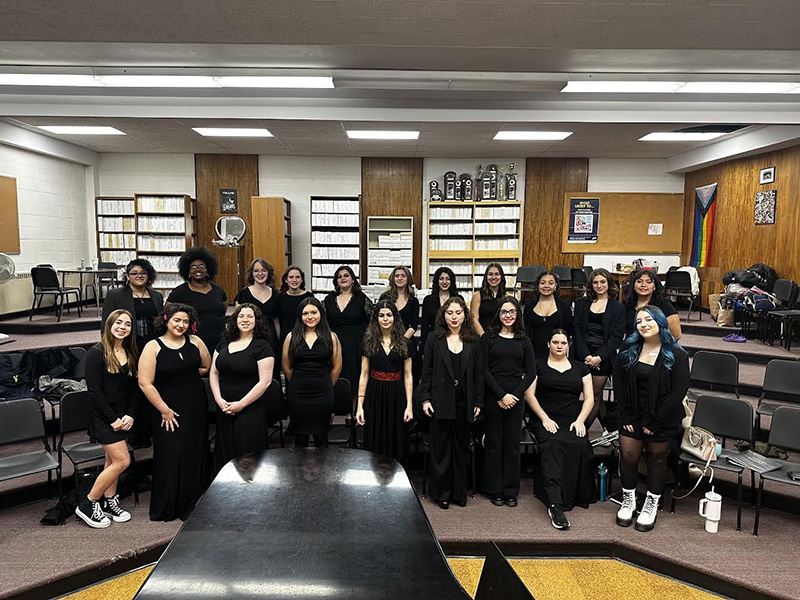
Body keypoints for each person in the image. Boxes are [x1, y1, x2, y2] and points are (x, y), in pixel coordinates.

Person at [613, 305, 690, 532]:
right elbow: (618, 385)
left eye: (648, 320)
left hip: (662, 418)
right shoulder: (628, 350)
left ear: (660, 323)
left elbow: (678, 392)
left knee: (657, 459)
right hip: (631, 415)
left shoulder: (676, 354)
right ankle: (628, 499)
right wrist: (626, 415)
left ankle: (651, 503)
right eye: (639, 321)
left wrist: (652, 422)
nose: (643, 324)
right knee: (628, 456)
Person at [138, 304, 211, 521]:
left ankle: (194, 503)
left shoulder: (196, 341)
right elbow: (145, 383)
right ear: (167, 320)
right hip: (167, 410)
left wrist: (183, 373)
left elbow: (206, 366)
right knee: (173, 455)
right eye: (177, 320)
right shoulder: (153, 346)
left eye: (186, 322)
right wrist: (164, 410)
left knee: (195, 452)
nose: (181, 325)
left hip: (195, 406)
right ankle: (171, 506)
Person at [526, 329, 594, 530]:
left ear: (568, 345)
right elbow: (530, 395)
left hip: (572, 420)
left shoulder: (581, 368)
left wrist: (581, 420)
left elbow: (590, 398)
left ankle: (573, 495)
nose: (559, 346)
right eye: (555, 342)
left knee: (580, 444)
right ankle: (555, 504)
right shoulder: (537, 365)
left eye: (563, 342)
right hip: (544, 419)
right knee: (553, 444)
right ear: (548, 344)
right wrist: (544, 418)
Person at [76, 309, 139, 528]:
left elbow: (134, 390)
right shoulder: (96, 353)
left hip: (123, 417)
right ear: (109, 325)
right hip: (104, 418)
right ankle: (89, 502)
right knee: (123, 460)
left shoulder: (130, 351)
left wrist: (130, 414)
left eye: (128, 324)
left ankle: (110, 501)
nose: (123, 327)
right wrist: (113, 419)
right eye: (118, 323)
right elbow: (94, 392)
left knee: (112, 461)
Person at [421, 297, 483, 509]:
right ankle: (442, 494)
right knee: (441, 451)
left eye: (458, 313)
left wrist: (478, 402)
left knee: (461, 449)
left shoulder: (473, 340)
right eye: (449, 313)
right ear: (443, 315)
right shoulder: (433, 338)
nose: (454, 317)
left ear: (465, 315)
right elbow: (426, 371)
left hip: (465, 402)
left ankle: (459, 493)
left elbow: (478, 374)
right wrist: (425, 398)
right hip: (440, 401)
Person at [101, 258, 164, 449]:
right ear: (127, 276)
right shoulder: (116, 295)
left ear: (149, 276)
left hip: (152, 348)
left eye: (143, 273)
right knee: (133, 389)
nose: (139, 276)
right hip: (129, 347)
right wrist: (112, 349)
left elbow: (160, 323)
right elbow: (107, 324)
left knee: (151, 387)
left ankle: (151, 430)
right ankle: (135, 434)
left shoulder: (156, 296)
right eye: (134, 273)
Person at [481, 296, 536, 507]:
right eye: (504, 312)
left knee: (512, 445)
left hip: (516, 396)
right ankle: (494, 489)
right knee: (494, 444)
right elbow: (483, 370)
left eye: (512, 312)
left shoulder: (524, 340)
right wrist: (501, 395)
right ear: (498, 314)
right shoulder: (488, 338)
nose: (508, 316)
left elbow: (531, 372)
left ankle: (510, 490)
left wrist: (514, 395)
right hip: (494, 395)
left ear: (518, 315)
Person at [209, 303, 275, 474]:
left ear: (257, 321)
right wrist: (218, 399)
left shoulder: (262, 346)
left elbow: (265, 382)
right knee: (225, 452)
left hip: (249, 409)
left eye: (250, 316)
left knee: (248, 455)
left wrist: (241, 404)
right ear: (235, 319)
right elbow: (214, 373)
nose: (245, 320)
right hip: (224, 408)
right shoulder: (224, 342)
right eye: (241, 316)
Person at [355, 300, 413, 462]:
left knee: (397, 438)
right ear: (376, 318)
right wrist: (360, 405)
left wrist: (409, 405)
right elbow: (364, 374)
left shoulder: (405, 343)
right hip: (375, 393)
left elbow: (408, 375)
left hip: (397, 394)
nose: (385, 319)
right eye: (381, 315)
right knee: (375, 437)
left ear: (395, 317)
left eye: (389, 315)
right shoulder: (368, 342)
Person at [282, 297, 342, 448]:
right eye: (305, 313)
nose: (310, 317)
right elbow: (286, 367)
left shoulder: (331, 336)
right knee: (300, 438)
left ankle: (324, 471)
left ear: (321, 313)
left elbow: (337, 367)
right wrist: (298, 382)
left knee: (321, 437)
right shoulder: (291, 337)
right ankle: (298, 472)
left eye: (314, 312)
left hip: (323, 393)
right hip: (297, 394)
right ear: (300, 316)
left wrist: (326, 384)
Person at [573, 268, 626, 434]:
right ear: (591, 284)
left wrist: (598, 358)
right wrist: (587, 356)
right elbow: (576, 330)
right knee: (580, 394)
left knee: (594, 396)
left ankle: (581, 430)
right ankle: (609, 429)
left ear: (609, 283)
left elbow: (616, 337)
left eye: (602, 282)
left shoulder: (618, 307)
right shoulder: (582, 304)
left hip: (604, 358)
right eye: (595, 282)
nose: (599, 285)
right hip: (581, 355)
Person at [323, 266, 372, 401]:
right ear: (336, 281)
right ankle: (334, 408)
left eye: (346, 275)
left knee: (354, 375)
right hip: (334, 344)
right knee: (335, 375)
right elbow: (323, 322)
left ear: (352, 279)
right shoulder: (328, 299)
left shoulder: (362, 298)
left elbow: (372, 321)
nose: (343, 278)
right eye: (339, 277)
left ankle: (354, 411)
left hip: (356, 344)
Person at [167, 247, 227, 353]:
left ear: (208, 269)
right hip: (191, 343)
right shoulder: (179, 292)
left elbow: (223, 310)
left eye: (201, 266)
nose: (198, 269)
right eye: (193, 267)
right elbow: (167, 315)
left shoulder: (219, 291)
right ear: (188, 271)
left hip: (219, 343)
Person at [379, 266, 420, 384]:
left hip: (406, 341)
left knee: (408, 377)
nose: (400, 278)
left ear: (408, 278)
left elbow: (413, 325)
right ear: (393, 278)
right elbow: (379, 319)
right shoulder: (385, 297)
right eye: (397, 276)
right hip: (386, 341)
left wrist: (400, 342)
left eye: (403, 276)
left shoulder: (413, 300)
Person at [233, 258, 280, 360]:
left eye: (263, 270)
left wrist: (280, 341)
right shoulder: (243, 294)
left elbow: (276, 321)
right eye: (256, 271)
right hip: (249, 340)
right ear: (251, 273)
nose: (260, 274)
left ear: (268, 273)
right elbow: (237, 321)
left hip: (271, 340)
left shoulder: (276, 295)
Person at [522, 270, 574, 359]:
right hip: (533, 355)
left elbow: (568, 331)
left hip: (557, 355)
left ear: (555, 286)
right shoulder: (529, 307)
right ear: (538, 286)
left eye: (550, 283)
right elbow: (525, 332)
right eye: (542, 283)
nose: (546, 286)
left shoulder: (564, 307)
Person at [622, 268, 682, 340]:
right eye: (639, 281)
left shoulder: (664, 305)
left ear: (654, 287)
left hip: (655, 347)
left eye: (649, 282)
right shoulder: (627, 304)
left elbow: (676, 335)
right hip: (630, 347)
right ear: (634, 286)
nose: (643, 285)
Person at [420, 266, 462, 356]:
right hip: (434, 340)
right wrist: (423, 347)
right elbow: (425, 325)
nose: (444, 282)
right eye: (441, 279)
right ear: (436, 281)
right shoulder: (428, 300)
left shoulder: (458, 299)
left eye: (447, 279)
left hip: (454, 340)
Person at [275, 265, 314, 349]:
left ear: (301, 280)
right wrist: (279, 338)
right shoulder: (280, 298)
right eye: (291, 277)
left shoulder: (309, 297)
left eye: (297, 277)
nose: (294, 280)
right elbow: (276, 321)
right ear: (286, 280)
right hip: (285, 339)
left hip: (305, 339)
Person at [471, 262, 507, 336]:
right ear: (486, 277)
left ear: (501, 277)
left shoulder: (507, 297)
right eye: (490, 274)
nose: (493, 277)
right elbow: (474, 320)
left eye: (497, 274)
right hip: (482, 336)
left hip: (501, 336)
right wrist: (483, 336)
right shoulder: (477, 296)